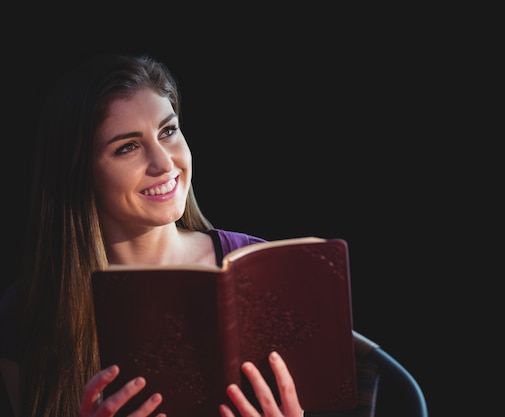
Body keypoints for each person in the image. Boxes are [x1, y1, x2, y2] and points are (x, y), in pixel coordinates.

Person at [0, 53, 305, 417]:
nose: (163, 163)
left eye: (168, 131)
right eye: (127, 147)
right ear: (78, 173)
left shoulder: (259, 266)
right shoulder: (31, 310)